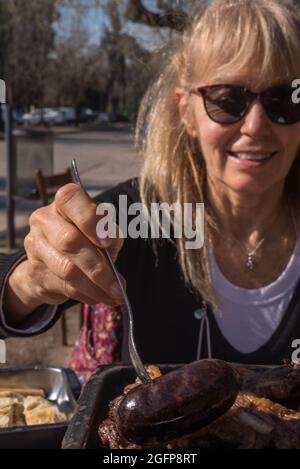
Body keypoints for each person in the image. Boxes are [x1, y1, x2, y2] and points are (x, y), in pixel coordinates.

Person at [1, 0, 300, 382]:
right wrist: (30, 280)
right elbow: (14, 291)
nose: (256, 126)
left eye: (285, 100)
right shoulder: (138, 216)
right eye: (228, 101)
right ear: (186, 111)